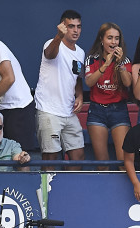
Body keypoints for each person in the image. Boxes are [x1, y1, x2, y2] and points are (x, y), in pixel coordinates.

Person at [35, 10, 85, 171]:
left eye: (78, 26)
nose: (75, 30)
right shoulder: (52, 43)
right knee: (50, 160)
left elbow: (77, 77)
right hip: (49, 110)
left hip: (69, 112)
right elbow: (49, 55)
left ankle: (72, 193)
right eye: (71, 26)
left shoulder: (80, 52)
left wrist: (80, 95)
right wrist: (58, 36)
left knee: (78, 158)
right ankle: (47, 195)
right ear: (63, 26)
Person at [84, 22, 132, 169]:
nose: (113, 42)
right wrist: (105, 65)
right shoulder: (92, 59)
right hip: (97, 110)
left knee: (123, 163)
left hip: (119, 109)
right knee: (102, 163)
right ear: (101, 39)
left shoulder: (125, 59)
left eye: (116, 38)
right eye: (110, 38)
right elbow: (89, 82)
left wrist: (120, 64)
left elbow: (128, 83)